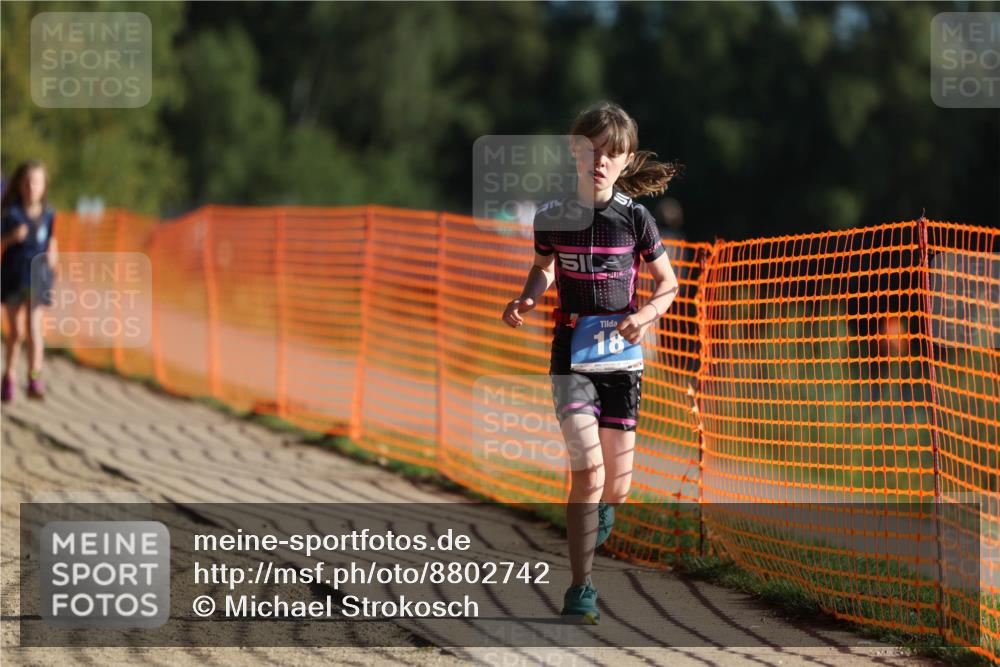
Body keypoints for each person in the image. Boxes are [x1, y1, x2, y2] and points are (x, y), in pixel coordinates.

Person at [501, 102, 682, 623]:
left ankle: (599, 512)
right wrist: (528, 297)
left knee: (616, 486)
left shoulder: (635, 218)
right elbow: (543, 269)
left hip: (622, 360)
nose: (600, 161)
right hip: (571, 353)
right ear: (574, 151)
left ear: (625, 161)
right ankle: (580, 587)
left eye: (612, 153)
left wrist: (644, 315)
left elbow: (668, 284)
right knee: (588, 470)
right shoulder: (553, 216)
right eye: (591, 150)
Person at [1, 161, 58, 402]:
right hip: (13, 277)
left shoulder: (48, 215)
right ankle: (9, 376)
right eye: (27, 182)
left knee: (35, 329)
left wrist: (53, 257)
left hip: (37, 277)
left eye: (36, 182)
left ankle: (34, 377)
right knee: (17, 333)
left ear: (44, 186)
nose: (31, 187)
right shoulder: (10, 214)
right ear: (19, 185)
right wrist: (11, 238)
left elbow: (52, 241)